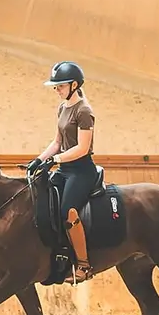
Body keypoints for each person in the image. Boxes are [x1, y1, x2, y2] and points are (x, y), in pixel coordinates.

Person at [29, 61, 102, 279]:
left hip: (82, 170)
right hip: (65, 168)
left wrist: (56, 159)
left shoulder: (84, 111)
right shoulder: (62, 108)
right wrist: (39, 159)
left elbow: (82, 147)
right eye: (56, 86)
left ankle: (83, 264)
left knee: (67, 211)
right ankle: (59, 253)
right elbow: (58, 141)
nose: (57, 90)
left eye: (60, 86)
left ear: (74, 85)